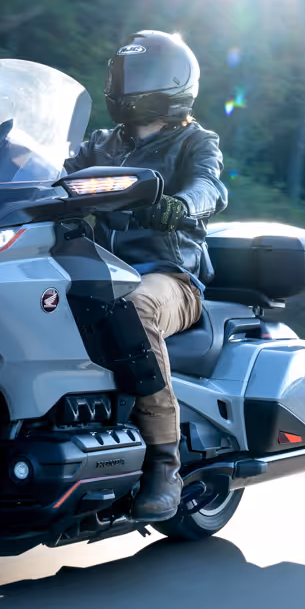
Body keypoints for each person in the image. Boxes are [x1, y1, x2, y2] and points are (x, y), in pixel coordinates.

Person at [65, 30, 228, 522]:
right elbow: (52, 171)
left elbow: (211, 186)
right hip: (99, 271)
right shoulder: (101, 144)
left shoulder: (196, 141)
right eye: (122, 74)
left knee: (135, 307)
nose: (127, 85)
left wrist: (180, 206)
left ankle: (164, 465)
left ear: (172, 83)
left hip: (170, 278)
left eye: (140, 76)